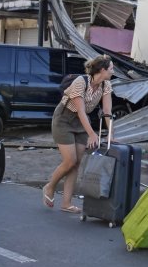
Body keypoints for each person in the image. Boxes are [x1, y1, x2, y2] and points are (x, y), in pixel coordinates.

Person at [42, 55, 115, 213]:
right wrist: (92, 134)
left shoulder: (106, 85)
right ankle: (50, 186)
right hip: (64, 119)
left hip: (81, 122)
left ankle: (66, 203)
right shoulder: (81, 82)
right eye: (111, 69)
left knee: (77, 163)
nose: (113, 71)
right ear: (102, 70)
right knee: (70, 160)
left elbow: (107, 111)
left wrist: (111, 134)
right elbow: (80, 110)